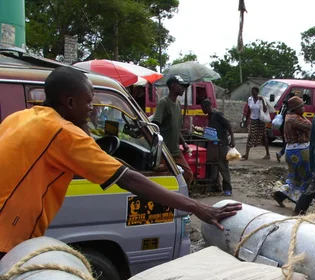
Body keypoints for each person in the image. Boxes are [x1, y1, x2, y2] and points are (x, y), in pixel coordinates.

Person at [0, 66, 241, 261]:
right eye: (88, 102)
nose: (92, 109)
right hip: (6, 238)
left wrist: (82, 122)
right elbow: (129, 179)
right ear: (70, 102)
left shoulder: (22, 117)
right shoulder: (62, 133)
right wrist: (198, 208)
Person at [152, 75, 193, 187]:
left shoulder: (178, 104)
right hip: (164, 150)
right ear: (172, 86)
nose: (183, 89)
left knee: (188, 175)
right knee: (162, 177)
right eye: (181, 86)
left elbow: (176, 128)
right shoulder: (163, 103)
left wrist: (184, 144)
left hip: (175, 150)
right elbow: (155, 126)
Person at [272, 96, 312, 207]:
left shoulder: (289, 117)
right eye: (302, 107)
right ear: (296, 108)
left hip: (291, 150)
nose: (304, 109)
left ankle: (280, 195)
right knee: (307, 176)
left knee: (294, 177)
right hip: (299, 151)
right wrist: (303, 117)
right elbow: (309, 125)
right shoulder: (294, 118)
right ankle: (300, 200)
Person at [201, 99, 235, 196]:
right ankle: (216, 186)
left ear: (207, 106)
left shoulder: (218, 115)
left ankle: (228, 188)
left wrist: (232, 139)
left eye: (203, 108)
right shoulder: (210, 116)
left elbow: (228, 126)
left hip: (222, 144)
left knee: (223, 166)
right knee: (214, 166)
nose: (202, 110)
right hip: (214, 144)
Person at [243, 86, 270, 160]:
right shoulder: (250, 99)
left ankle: (268, 154)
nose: (252, 93)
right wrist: (245, 120)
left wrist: (263, 101)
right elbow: (248, 110)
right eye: (251, 91)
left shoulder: (261, 99)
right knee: (250, 135)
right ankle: (246, 154)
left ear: (257, 92)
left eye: (253, 91)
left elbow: (265, 110)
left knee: (264, 136)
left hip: (260, 120)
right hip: (253, 120)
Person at [275, 92, 297, 163]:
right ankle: (281, 154)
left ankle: (282, 154)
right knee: (289, 142)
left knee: (286, 142)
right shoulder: (290, 108)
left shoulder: (283, 106)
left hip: (282, 126)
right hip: (287, 127)